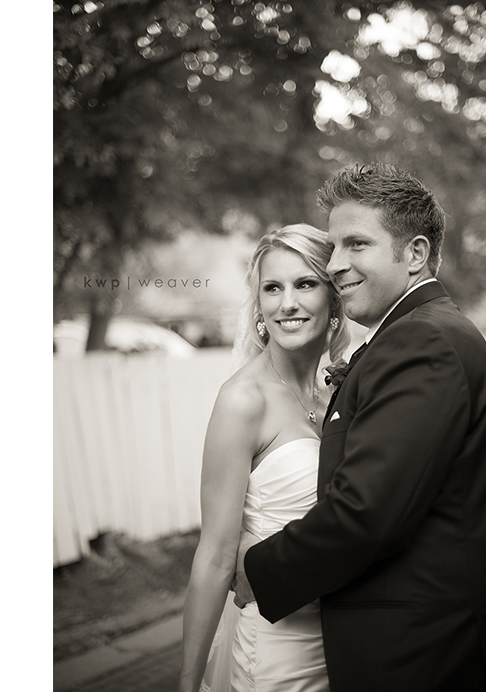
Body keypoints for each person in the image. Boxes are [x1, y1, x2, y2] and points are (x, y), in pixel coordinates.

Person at [233, 164, 486, 691]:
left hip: (430, 654)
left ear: (415, 254)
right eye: (333, 248)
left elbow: (366, 513)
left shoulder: (421, 343)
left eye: (357, 245)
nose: (335, 265)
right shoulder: (421, 333)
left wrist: (259, 571)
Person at [178, 224, 349, 692]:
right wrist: (187, 683)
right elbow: (215, 556)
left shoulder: (338, 391)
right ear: (258, 305)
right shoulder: (243, 400)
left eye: (305, 284)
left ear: (334, 298)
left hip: (342, 639)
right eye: (272, 288)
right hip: (277, 648)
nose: (286, 303)